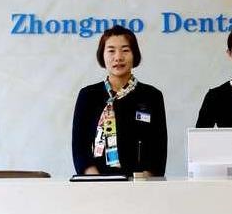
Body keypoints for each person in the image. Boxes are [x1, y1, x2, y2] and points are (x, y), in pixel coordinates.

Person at [72, 25, 167, 176]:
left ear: (134, 54)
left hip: (140, 183)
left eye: (125, 50)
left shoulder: (151, 96)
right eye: (111, 51)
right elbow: (79, 147)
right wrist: (94, 178)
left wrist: (145, 180)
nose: (118, 57)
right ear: (102, 55)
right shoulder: (88, 95)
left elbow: (159, 147)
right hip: (97, 182)